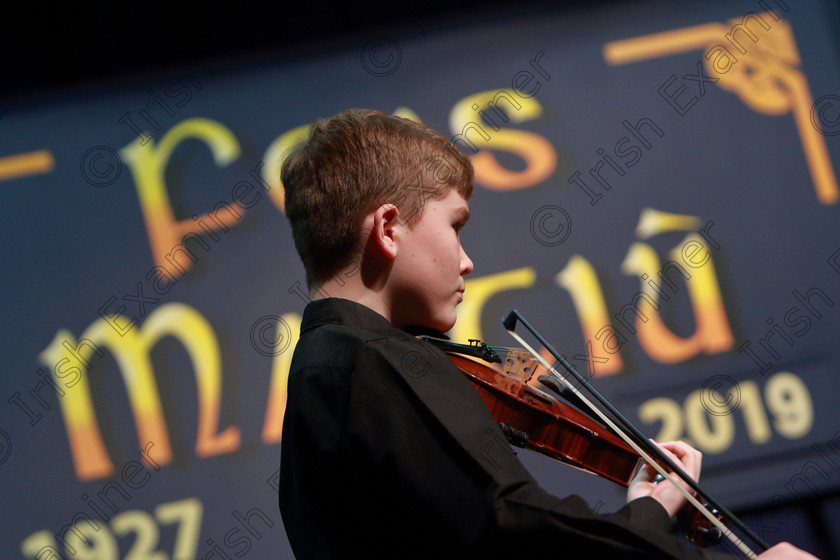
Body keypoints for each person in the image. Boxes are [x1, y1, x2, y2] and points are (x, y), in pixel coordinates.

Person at [277, 108, 817, 559]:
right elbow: (517, 531)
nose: (467, 261)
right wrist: (654, 519)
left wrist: (651, 510)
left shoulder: (324, 373)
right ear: (389, 229)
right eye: (456, 226)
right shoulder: (378, 361)